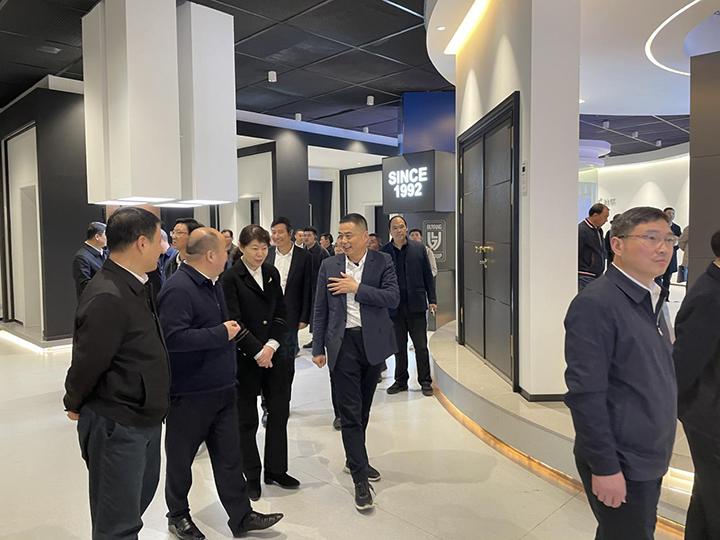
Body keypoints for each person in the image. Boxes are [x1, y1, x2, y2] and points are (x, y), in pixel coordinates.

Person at [158, 228, 283, 540]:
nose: (230, 256)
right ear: (211, 255)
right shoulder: (178, 288)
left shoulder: (213, 284)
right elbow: (172, 338)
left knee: (229, 457)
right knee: (181, 460)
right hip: (190, 393)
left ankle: (241, 516)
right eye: (226, 251)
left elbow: (231, 328)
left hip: (223, 388)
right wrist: (219, 334)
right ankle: (178, 515)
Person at [564, 206, 677, 540]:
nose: (663, 248)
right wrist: (605, 466)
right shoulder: (597, 303)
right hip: (622, 458)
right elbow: (585, 394)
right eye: (651, 238)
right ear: (617, 245)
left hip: (648, 452)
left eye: (669, 240)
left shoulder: (650, 297)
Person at [63, 207, 169, 540]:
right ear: (141, 243)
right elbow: (87, 362)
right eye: (159, 240)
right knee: (117, 525)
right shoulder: (108, 294)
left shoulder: (136, 284)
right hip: (118, 423)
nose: (163, 248)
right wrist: (73, 401)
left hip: (142, 415)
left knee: (132, 507)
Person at [311, 213, 400, 512]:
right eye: (340, 235)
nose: (343, 241)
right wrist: (318, 346)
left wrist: (356, 288)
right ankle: (360, 480)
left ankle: (354, 459)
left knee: (363, 409)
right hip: (342, 344)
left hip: (372, 344)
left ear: (364, 237)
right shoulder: (329, 265)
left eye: (348, 235)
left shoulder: (382, 262)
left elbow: (393, 298)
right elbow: (320, 308)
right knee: (349, 412)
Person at [221, 225, 299, 501]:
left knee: (279, 412)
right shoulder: (230, 278)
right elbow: (233, 320)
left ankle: (276, 470)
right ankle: (251, 475)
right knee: (246, 420)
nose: (260, 253)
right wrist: (257, 351)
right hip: (245, 358)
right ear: (242, 248)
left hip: (274, 355)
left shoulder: (271, 272)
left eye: (264, 248)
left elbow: (281, 311)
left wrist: (272, 345)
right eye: (254, 248)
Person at [672, 229, 720, 539]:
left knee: (707, 497)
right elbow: (684, 365)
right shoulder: (709, 297)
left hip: (709, 412)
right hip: (709, 416)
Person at [382, 217, 437, 396]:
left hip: (416, 305)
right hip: (394, 308)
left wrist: (432, 299)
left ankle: (425, 381)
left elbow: (428, 275)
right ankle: (400, 381)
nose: (398, 230)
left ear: (406, 228)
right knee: (398, 347)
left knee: (421, 346)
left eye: (401, 227)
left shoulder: (419, 249)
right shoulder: (384, 252)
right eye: (394, 228)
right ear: (390, 231)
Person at [267, 217, 312, 401]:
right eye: (273, 232)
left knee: (286, 361)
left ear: (290, 233)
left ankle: (283, 401)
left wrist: (305, 316)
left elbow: (308, 288)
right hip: (267, 316)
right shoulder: (267, 254)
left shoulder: (304, 257)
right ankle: (267, 403)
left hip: (290, 316)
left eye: (280, 232)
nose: (276, 236)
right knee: (267, 358)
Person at [302, 226, 330, 349]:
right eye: (304, 235)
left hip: (317, 287)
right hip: (305, 287)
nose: (306, 238)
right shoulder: (302, 252)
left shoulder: (322, 252)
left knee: (317, 313)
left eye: (309, 235)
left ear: (315, 237)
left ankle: (318, 339)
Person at [72, 221, 107, 301]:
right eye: (105, 235)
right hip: (93, 303)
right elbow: (84, 286)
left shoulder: (105, 252)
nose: (107, 238)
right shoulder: (81, 257)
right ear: (97, 237)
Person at [578, 203, 609, 290]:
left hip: (596, 275)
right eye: (605, 217)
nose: (606, 220)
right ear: (595, 215)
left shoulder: (599, 231)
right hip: (585, 275)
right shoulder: (582, 230)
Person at [655, 207, 682, 296]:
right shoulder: (658, 226)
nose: (671, 215)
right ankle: (657, 295)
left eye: (673, 214)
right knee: (658, 277)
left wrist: (673, 246)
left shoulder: (676, 228)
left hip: (671, 256)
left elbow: (680, 242)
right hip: (659, 255)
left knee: (667, 278)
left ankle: (665, 296)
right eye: (669, 213)